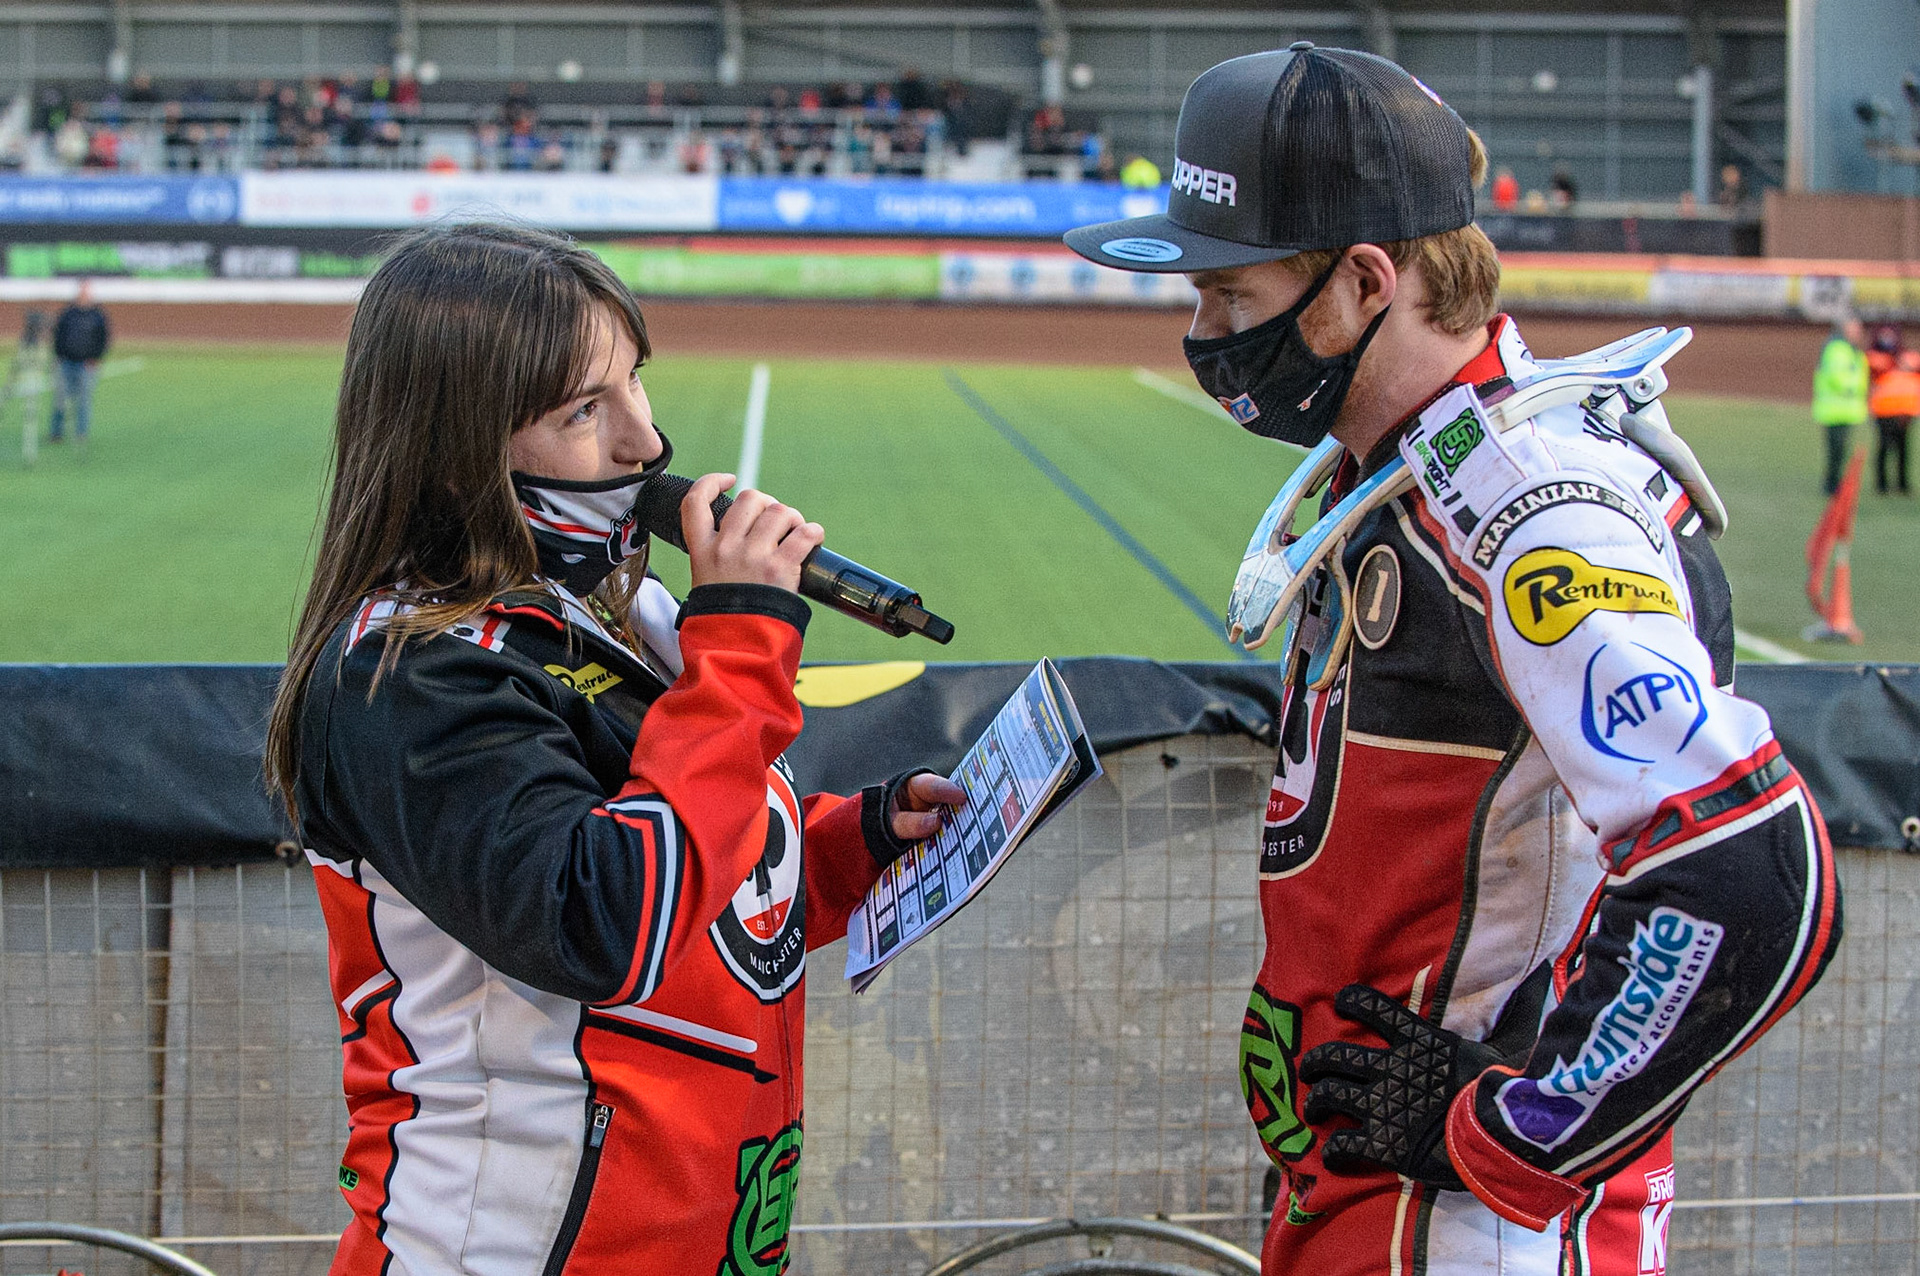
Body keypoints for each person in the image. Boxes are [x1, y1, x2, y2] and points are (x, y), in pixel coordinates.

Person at [1066, 44, 1840, 1276]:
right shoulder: (1405, 466)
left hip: (1472, 1233)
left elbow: (1746, 865)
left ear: (1366, 281)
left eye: (1230, 296)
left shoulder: (1533, 513)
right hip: (1364, 1207)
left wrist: (1519, 1125)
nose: (1198, 331)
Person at [262, 222, 965, 1275]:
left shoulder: (611, 611)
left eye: (637, 383)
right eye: (586, 410)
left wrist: (846, 846)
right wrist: (740, 651)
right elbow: (605, 920)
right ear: (459, 456)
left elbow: (698, 878)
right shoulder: (408, 675)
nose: (647, 445)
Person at [1813, 318, 1870, 494]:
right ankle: (1832, 485)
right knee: (1835, 451)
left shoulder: (1853, 351)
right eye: (1854, 328)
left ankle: (1837, 484)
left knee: (1841, 451)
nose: (1858, 332)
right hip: (1834, 410)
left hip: (1846, 411)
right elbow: (1838, 377)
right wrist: (1853, 388)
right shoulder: (1838, 350)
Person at [48, 279, 109, 444]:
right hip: (66, 362)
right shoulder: (68, 313)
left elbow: (103, 339)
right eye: (81, 291)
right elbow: (58, 336)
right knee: (60, 399)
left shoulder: (98, 316)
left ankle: (81, 433)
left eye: (86, 291)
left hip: (86, 364)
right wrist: (58, 356)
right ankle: (56, 433)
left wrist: (96, 358)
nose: (83, 295)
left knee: (83, 401)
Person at [1867, 324, 1920, 495]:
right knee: (1883, 448)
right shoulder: (1875, 357)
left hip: (1905, 412)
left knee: (1903, 450)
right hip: (1883, 411)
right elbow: (1874, 367)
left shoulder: (1910, 357)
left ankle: (1902, 484)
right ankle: (1881, 484)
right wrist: (1894, 362)